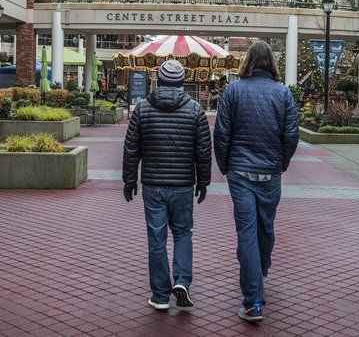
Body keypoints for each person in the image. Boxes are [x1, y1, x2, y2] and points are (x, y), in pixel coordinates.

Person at [213, 41, 299, 323]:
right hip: (270, 171)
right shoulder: (283, 93)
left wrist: (224, 165)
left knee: (247, 232)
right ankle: (259, 273)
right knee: (266, 227)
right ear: (272, 63)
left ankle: (252, 302)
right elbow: (291, 134)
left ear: (247, 62)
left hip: (240, 172)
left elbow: (222, 132)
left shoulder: (233, 91)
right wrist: (281, 163)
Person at [122, 60, 212, 311]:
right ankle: (182, 281)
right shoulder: (195, 110)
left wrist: (129, 180)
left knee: (156, 238)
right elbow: (203, 150)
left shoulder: (142, 109)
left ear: (158, 82)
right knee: (183, 233)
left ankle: (160, 295)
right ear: (182, 83)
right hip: (183, 184)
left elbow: (131, 148)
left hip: (153, 185)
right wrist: (203, 181)